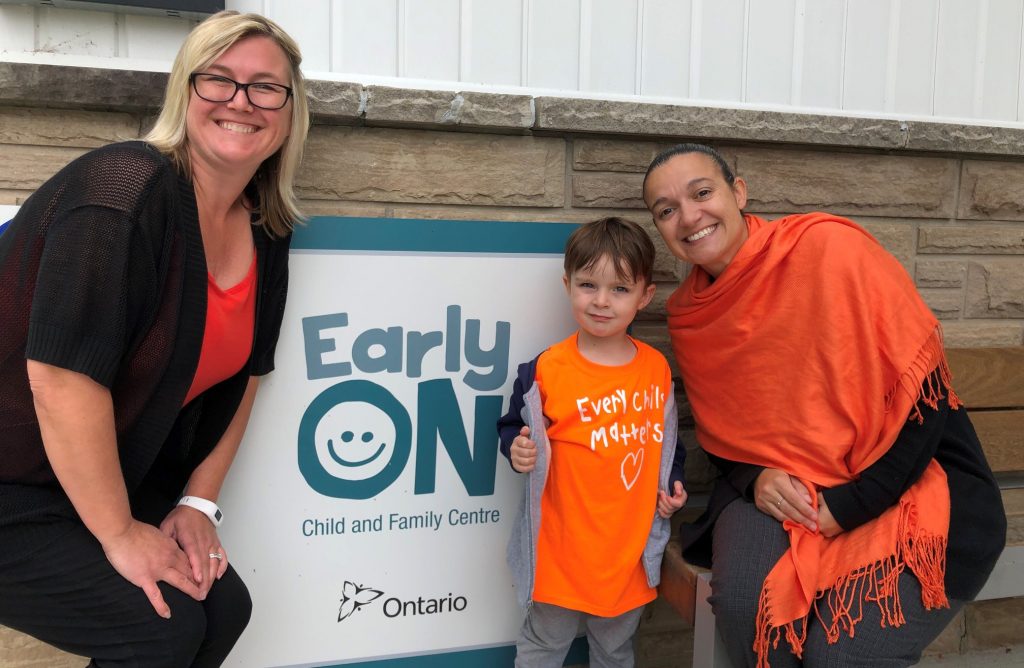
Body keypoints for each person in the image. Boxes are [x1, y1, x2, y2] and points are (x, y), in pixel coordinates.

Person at [0, 10, 309, 667]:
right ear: (183, 91)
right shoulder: (123, 189)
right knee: (157, 627)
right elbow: (60, 379)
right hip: (12, 482)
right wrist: (118, 533)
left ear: (289, 110)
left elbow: (250, 373)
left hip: (88, 480)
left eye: (266, 87)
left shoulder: (266, 225)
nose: (241, 101)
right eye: (218, 79)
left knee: (223, 607)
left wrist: (198, 502)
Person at [642, 143, 1006, 668]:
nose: (689, 216)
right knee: (750, 607)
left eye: (702, 193)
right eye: (666, 209)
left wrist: (852, 505)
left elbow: (926, 399)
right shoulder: (690, 316)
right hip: (781, 489)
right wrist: (753, 478)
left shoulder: (829, 248)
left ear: (738, 192)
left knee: (839, 653)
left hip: (910, 479)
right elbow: (728, 435)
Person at [497, 217, 688, 668]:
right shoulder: (545, 370)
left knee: (615, 651)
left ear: (645, 296)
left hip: (626, 555)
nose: (601, 301)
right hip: (560, 552)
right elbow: (511, 426)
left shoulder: (656, 369)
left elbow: (668, 442)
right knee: (543, 646)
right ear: (567, 285)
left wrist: (673, 484)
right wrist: (516, 450)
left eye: (619, 289)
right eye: (588, 285)